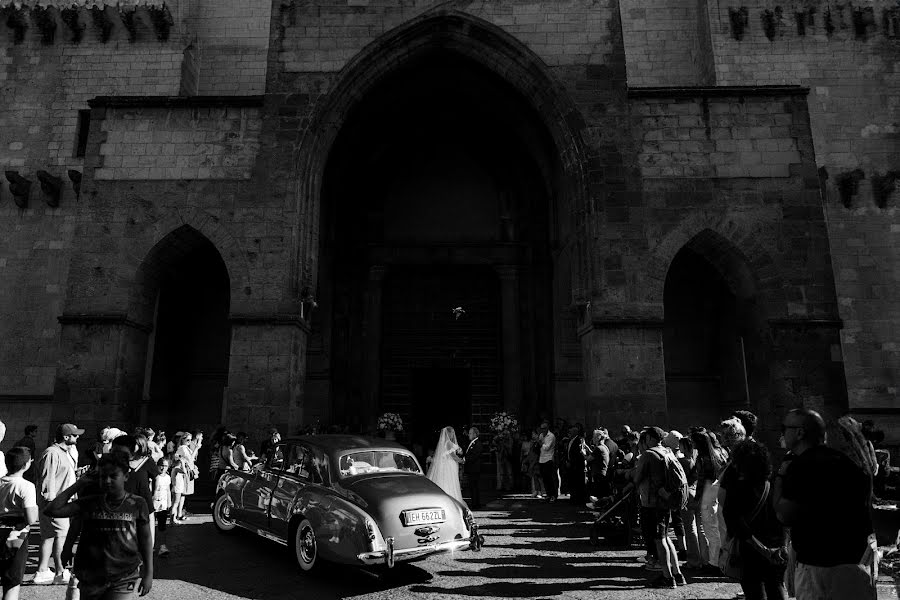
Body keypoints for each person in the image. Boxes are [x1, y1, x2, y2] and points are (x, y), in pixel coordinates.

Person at [774, 408, 876, 600]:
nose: (782, 433)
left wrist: (781, 475)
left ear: (799, 432)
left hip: (817, 566)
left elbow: (783, 514)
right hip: (854, 564)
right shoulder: (850, 464)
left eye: (784, 427)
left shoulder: (801, 466)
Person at [45, 451, 153, 599]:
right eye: (103, 477)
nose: (107, 481)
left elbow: (145, 538)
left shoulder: (137, 503)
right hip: (90, 573)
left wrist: (148, 572)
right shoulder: (90, 502)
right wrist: (79, 483)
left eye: (113, 476)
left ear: (126, 476)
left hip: (124, 574)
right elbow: (52, 510)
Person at [723, 440, 787, 600]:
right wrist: (782, 546)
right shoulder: (773, 485)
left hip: (750, 551)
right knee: (777, 588)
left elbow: (735, 524)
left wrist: (762, 549)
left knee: (755, 593)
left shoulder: (737, 489)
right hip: (777, 550)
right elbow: (784, 519)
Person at [633, 427, 686, 588]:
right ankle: (677, 574)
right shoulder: (667, 451)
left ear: (649, 438)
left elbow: (637, 478)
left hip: (653, 503)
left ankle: (667, 577)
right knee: (665, 537)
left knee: (659, 539)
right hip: (666, 500)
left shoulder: (648, 455)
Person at [34, 422, 82, 585]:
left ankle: (42, 570)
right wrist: (53, 504)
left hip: (56, 503)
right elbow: (47, 480)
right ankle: (60, 572)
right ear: (66, 437)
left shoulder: (60, 452)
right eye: (75, 435)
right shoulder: (52, 453)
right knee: (61, 536)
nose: (77, 437)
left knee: (48, 536)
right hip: (55, 504)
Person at [0, 447, 38, 600]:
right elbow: (30, 518)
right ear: (26, 465)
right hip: (16, 534)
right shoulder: (26, 486)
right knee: (12, 582)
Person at [697, 429, 729, 570]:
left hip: (708, 491)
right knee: (719, 528)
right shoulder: (721, 452)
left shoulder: (705, 458)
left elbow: (702, 479)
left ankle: (714, 562)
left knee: (711, 529)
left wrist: (697, 498)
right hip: (718, 489)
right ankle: (718, 560)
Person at [426, 427, 465, 505]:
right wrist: (461, 461)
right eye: (452, 433)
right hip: (449, 465)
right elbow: (453, 456)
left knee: (445, 480)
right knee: (449, 481)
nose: (453, 435)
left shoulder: (445, 443)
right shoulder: (448, 443)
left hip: (447, 464)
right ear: (449, 433)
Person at [153, 457, 172, 557]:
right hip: (154, 502)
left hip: (163, 503)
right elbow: (154, 490)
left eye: (165, 466)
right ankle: (151, 545)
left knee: (162, 526)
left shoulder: (168, 477)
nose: (163, 468)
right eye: (161, 465)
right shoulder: (155, 476)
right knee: (151, 525)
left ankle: (162, 546)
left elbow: (168, 490)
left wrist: (169, 502)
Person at [463, 427, 484, 509]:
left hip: (474, 469)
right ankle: (475, 503)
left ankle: (476, 504)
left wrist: (464, 460)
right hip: (471, 469)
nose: (469, 435)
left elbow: (474, 456)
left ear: (475, 434)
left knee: (474, 487)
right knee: (472, 487)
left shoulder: (478, 444)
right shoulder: (472, 443)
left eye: (470, 433)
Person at [538, 421, 558, 503]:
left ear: (547, 428)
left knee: (550, 478)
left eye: (544, 428)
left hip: (549, 459)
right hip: (542, 459)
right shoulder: (541, 435)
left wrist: (541, 443)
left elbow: (547, 448)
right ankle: (548, 494)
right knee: (545, 478)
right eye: (541, 428)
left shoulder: (551, 436)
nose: (542, 430)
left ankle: (553, 495)